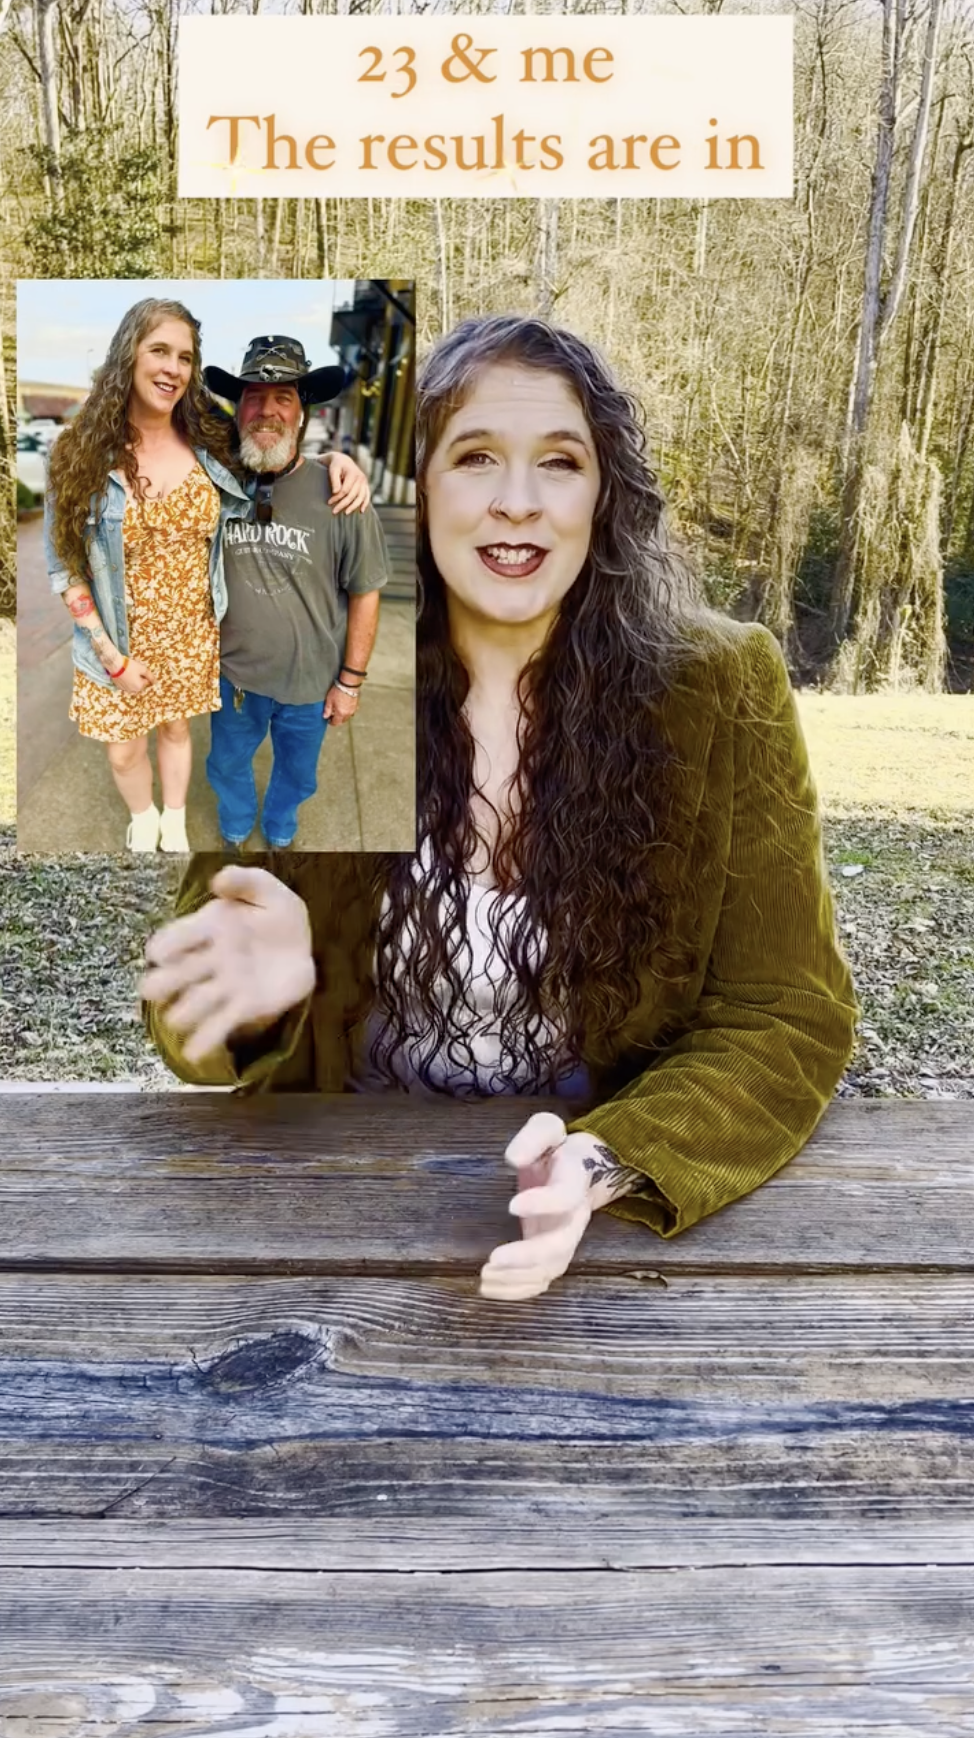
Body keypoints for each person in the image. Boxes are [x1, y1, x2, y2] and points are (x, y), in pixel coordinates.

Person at [142, 314, 858, 1301]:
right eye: (475, 457)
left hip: (603, 1238)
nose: (517, 504)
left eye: (558, 463)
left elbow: (787, 1014)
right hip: (330, 1209)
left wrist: (606, 1159)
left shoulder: (719, 688)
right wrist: (252, 1004)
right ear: (415, 490)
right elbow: (185, 1022)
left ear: (602, 494)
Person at [44, 301, 369, 854]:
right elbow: (65, 565)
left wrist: (340, 460)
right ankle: (142, 817)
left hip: (192, 636)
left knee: (176, 732)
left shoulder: (208, 446)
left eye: (185, 357)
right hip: (114, 644)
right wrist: (110, 656)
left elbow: (277, 448)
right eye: (160, 351)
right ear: (129, 353)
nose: (173, 367)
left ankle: (173, 819)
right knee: (124, 750)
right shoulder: (78, 453)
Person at [202, 336, 392, 850]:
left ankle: (281, 820)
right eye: (253, 397)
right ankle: (237, 816)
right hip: (233, 678)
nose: (267, 411)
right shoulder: (211, 483)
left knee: (298, 772)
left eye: (282, 397)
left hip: (311, 684)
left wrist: (350, 682)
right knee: (224, 762)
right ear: (236, 409)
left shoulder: (342, 495)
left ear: (302, 413)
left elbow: (366, 591)